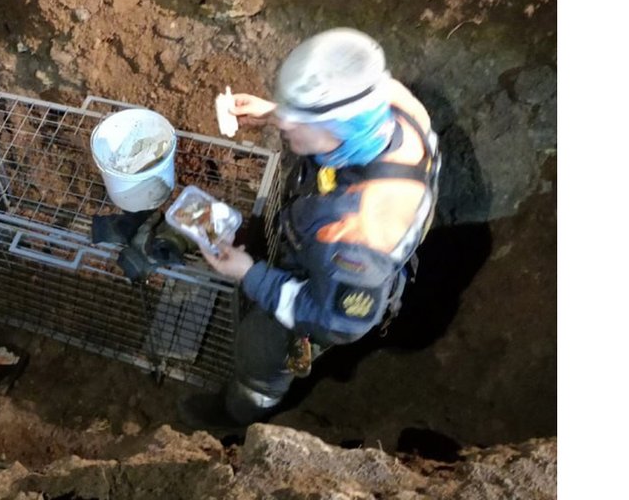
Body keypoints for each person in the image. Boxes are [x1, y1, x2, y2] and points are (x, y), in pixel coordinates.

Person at [179, 28, 441, 429]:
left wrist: (249, 273)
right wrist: (273, 111)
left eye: (294, 119)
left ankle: (235, 418)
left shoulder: (360, 234)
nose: (282, 121)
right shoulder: (386, 102)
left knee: (261, 350)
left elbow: (336, 322)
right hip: (312, 238)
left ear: (333, 131)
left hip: (326, 292)